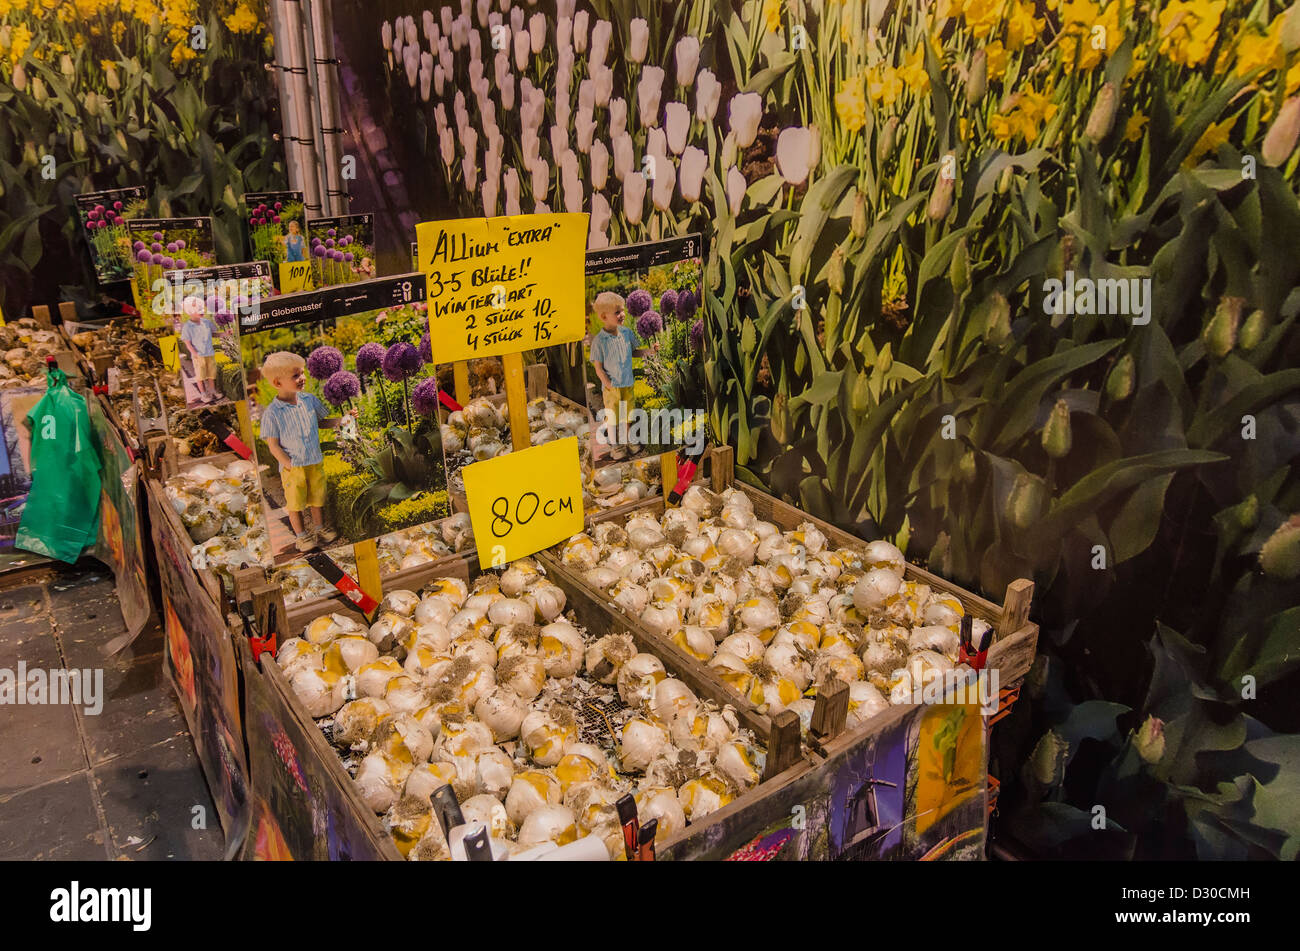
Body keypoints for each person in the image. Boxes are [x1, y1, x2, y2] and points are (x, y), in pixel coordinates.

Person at [258, 351, 352, 553]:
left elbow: (321, 423)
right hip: (293, 467)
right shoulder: (272, 413)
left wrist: (342, 420)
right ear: (277, 383)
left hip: (314, 461)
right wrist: (289, 464)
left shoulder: (309, 400)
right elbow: (273, 445)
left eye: (302, 373)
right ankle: (301, 536)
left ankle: (320, 528)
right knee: (295, 503)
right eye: (295, 376)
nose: (302, 378)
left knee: (317, 498)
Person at [588, 291, 647, 461]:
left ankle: (629, 441)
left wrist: (650, 351)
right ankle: (616, 446)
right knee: (613, 416)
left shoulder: (627, 333)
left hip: (627, 383)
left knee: (627, 415)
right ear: (603, 316)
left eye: (622, 310)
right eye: (617, 312)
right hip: (611, 387)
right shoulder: (599, 341)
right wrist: (607, 383)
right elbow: (598, 367)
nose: (622, 314)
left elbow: (634, 352)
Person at [179, 297, 219, 404]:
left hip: (209, 353)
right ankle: (203, 394)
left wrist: (226, 334)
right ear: (190, 312)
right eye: (198, 309)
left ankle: (212, 391)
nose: (202, 311)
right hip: (198, 355)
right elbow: (187, 343)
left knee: (211, 374)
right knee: (200, 376)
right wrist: (195, 354)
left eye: (202, 308)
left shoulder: (207, 322)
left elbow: (214, 334)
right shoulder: (187, 327)